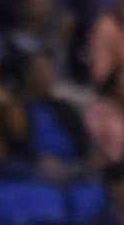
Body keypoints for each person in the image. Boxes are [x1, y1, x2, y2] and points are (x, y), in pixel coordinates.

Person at [17, 52, 89, 182]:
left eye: (49, 70)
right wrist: (36, 158)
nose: (47, 75)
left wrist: (92, 156)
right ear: (28, 74)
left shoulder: (64, 107)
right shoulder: (17, 107)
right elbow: (15, 144)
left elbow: (82, 139)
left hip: (71, 165)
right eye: (41, 70)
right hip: (32, 166)